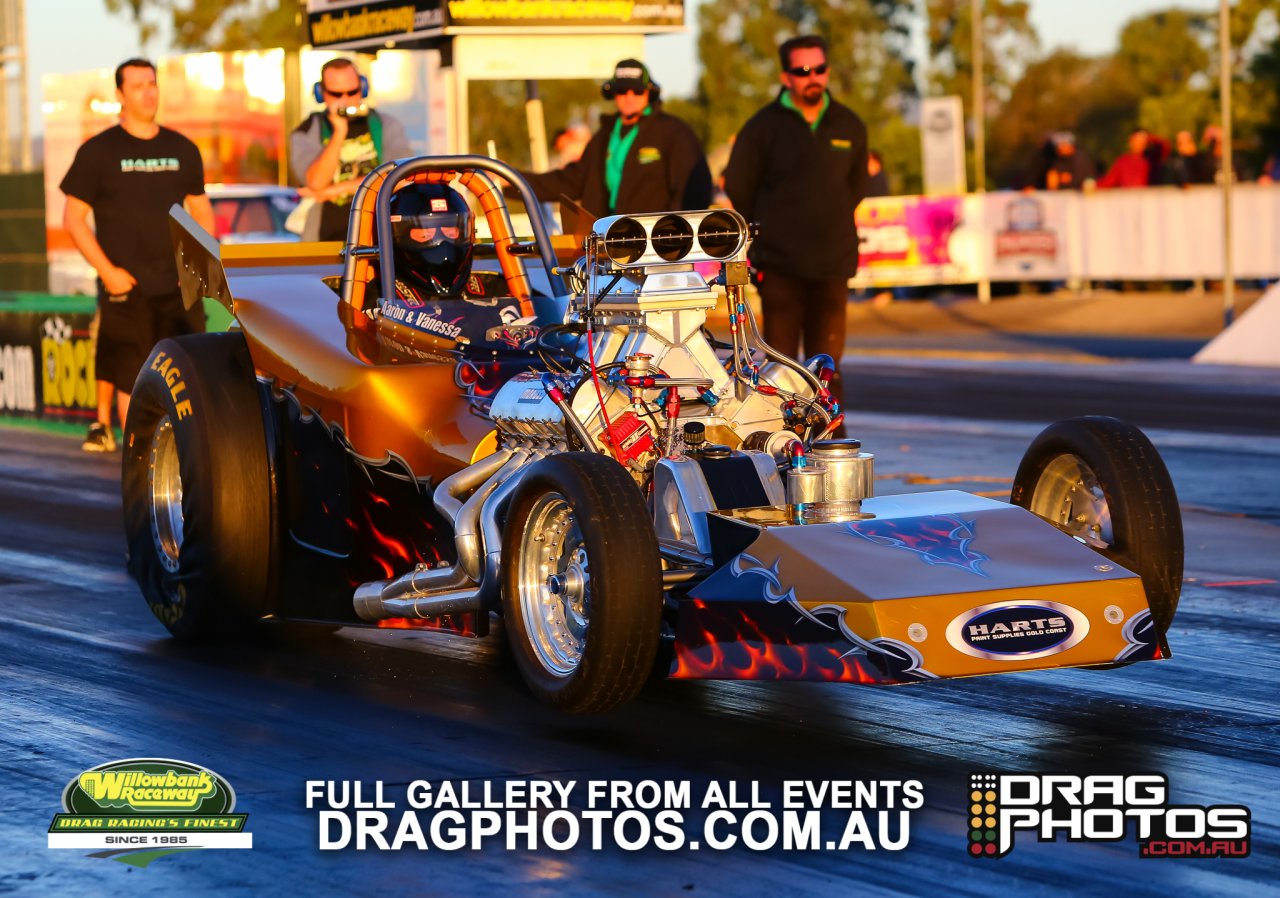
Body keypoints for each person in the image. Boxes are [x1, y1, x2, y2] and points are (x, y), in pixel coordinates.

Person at [60, 58, 214, 452]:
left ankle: (185, 457)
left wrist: (198, 266)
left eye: (153, 83)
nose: (149, 91)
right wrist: (108, 271)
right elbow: (73, 220)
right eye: (138, 85)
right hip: (125, 286)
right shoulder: (99, 151)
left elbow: (200, 209)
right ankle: (139, 456)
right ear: (120, 95)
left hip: (178, 286)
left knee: (189, 371)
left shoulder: (182, 148)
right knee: (132, 375)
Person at [722, 34, 869, 413]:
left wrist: (824, 217)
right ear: (786, 76)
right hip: (780, 266)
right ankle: (782, 446)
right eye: (803, 71)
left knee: (827, 366)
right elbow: (739, 186)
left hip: (831, 265)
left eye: (819, 69)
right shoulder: (762, 128)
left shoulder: (849, 125)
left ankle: (830, 441)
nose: (813, 77)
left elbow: (856, 187)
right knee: (781, 369)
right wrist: (775, 224)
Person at [517, 59, 711, 216]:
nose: (629, 96)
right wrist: (512, 180)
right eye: (621, 90)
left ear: (649, 92)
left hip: (659, 251)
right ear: (613, 93)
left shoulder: (674, 132)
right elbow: (569, 182)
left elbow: (696, 191)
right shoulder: (603, 137)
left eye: (636, 90)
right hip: (609, 245)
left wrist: (670, 237)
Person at [377, 182, 539, 350]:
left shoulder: (498, 289)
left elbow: (551, 334)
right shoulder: (377, 295)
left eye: (450, 232)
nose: (442, 243)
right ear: (397, 236)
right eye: (426, 233)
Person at [290, 57, 413, 241]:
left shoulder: (386, 125)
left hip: (380, 239)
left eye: (352, 92)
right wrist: (339, 132)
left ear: (363, 88)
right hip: (326, 239)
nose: (345, 100)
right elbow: (316, 182)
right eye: (336, 94)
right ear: (321, 93)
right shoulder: (307, 130)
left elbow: (402, 177)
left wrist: (334, 191)